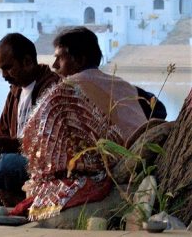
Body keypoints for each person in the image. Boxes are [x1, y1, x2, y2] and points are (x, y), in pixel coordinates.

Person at [15, 26, 151, 221]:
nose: (54, 66)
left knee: (14, 167)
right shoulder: (124, 84)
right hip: (139, 157)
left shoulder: (66, 90)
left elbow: (36, 143)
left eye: (59, 58)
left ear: (79, 60)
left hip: (111, 168)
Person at [0, 33, 59, 207]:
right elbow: (2, 133)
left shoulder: (52, 90)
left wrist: (1, 143)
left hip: (41, 164)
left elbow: (43, 145)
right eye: (0, 69)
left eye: (7, 68)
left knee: (6, 165)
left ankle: (20, 198)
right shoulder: (15, 91)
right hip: (14, 159)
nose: (3, 75)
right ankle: (5, 194)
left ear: (28, 62)